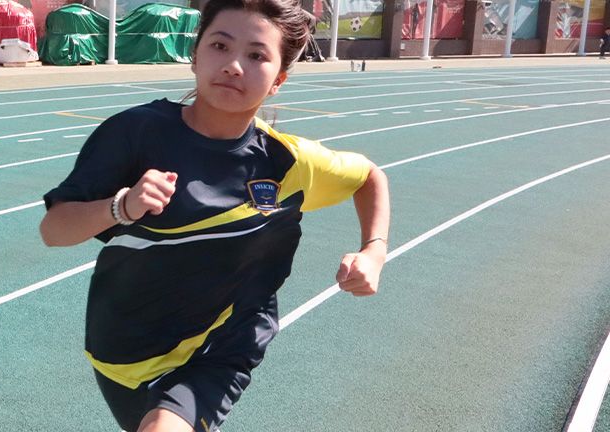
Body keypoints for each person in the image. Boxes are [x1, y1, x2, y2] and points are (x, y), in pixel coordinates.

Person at [39, 0, 391, 430]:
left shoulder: (287, 162)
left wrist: (373, 252)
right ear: (195, 56)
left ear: (278, 80)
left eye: (257, 55)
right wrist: (122, 206)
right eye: (220, 46)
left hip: (222, 348)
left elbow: (368, 176)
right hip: (121, 352)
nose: (234, 65)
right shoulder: (135, 133)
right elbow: (54, 230)